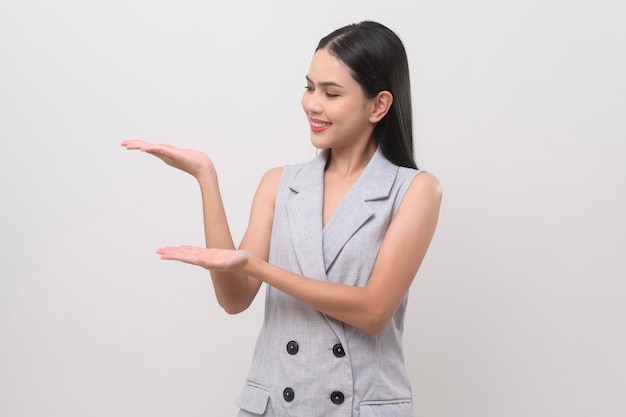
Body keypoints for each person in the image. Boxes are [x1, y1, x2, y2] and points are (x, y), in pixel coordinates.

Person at [122, 20, 441, 417]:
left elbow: (374, 311)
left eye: (331, 93)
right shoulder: (280, 183)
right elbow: (234, 297)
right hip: (276, 405)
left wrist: (259, 267)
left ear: (378, 105)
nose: (312, 104)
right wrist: (206, 177)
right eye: (309, 87)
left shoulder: (414, 190)